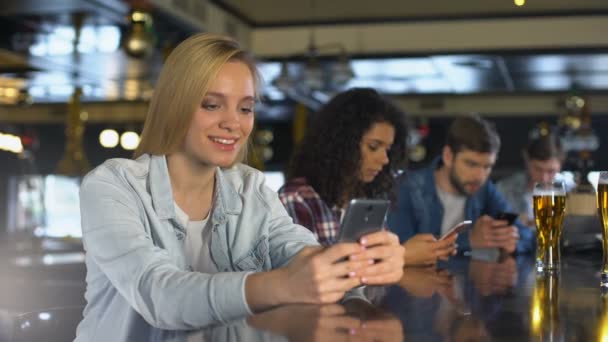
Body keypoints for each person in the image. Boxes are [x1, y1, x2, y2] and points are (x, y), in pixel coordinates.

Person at [75, 34, 404, 341]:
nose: (234, 123)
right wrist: (283, 285)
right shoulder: (111, 186)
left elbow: (301, 252)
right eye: (211, 104)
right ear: (174, 104)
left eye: (245, 108)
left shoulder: (252, 188)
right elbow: (160, 295)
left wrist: (354, 275)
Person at [278, 88, 448, 265]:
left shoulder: (365, 198)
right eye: (374, 147)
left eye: (387, 150)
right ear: (341, 144)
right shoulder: (296, 198)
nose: (384, 159)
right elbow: (306, 273)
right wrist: (402, 256)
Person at [387, 115, 535, 257]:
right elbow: (400, 251)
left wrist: (513, 243)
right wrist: (468, 240)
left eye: (487, 166)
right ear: (448, 156)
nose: (479, 176)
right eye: (471, 164)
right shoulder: (407, 188)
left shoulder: (484, 189)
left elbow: (526, 235)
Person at [497, 134, 568, 227]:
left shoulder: (569, 190)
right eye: (538, 169)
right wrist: (515, 222)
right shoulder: (504, 189)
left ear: (560, 165)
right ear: (527, 160)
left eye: (551, 171)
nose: (544, 178)